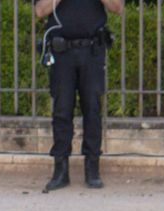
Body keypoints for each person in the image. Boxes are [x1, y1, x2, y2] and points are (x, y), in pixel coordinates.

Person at [33, 0, 121, 192]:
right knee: (62, 110)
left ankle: (92, 169)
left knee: (92, 109)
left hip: (92, 50)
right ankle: (60, 171)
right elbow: (40, 11)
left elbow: (117, 7)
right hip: (61, 52)